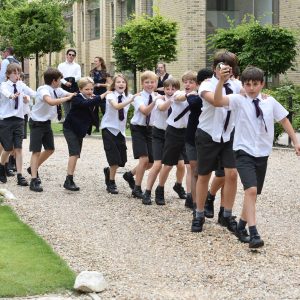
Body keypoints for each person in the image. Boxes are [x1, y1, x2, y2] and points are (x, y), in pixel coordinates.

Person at [214, 65, 300, 248]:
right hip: (243, 151)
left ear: (262, 84)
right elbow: (217, 101)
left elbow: (284, 119)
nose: (251, 87)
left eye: (255, 84)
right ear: (243, 85)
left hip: (262, 153)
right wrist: (221, 81)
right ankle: (254, 233)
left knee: (254, 194)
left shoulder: (269, 101)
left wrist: (295, 141)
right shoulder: (238, 100)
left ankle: (241, 226)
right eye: (247, 84)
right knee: (250, 190)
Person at [191, 50, 242, 233]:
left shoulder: (237, 85)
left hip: (228, 135)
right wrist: (220, 81)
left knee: (232, 174)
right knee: (204, 175)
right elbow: (217, 102)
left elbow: (249, 96)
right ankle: (199, 214)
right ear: (214, 68)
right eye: (221, 66)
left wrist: (262, 97)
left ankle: (226, 215)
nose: (225, 70)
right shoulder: (206, 84)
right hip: (208, 134)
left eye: (229, 66)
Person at [28, 68, 75, 192]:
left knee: (50, 149)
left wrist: (75, 95)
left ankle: (33, 167)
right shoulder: (43, 89)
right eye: (60, 80)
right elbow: (50, 102)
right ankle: (34, 180)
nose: (61, 82)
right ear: (54, 80)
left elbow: (69, 94)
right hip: (36, 123)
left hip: (46, 123)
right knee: (36, 151)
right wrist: (66, 99)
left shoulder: (57, 89)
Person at [142, 78, 186, 205]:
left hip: (174, 135)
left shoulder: (181, 98)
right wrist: (171, 100)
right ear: (164, 89)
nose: (170, 91)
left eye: (173, 89)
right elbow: (161, 108)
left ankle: (178, 185)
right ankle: (148, 191)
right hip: (159, 134)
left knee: (181, 165)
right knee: (157, 165)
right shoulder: (159, 99)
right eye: (167, 89)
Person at [154, 71, 194, 205]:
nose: (188, 84)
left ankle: (190, 196)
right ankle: (160, 189)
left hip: (188, 132)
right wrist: (191, 93)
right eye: (186, 82)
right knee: (168, 164)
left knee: (189, 166)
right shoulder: (178, 94)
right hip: (173, 132)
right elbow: (181, 98)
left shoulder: (200, 95)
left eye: (191, 82)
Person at [63, 77, 108, 191]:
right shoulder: (77, 98)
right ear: (80, 89)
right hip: (70, 129)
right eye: (87, 89)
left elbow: (97, 104)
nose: (90, 91)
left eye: (91, 89)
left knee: (76, 154)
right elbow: (86, 104)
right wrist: (103, 94)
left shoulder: (91, 98)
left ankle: (69, 178)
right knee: (74, 153)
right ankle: (68, 180)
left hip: (79, 130)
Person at [101, 74, 138, 194]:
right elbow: (116, 106)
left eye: (123, 82)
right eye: (118, 82)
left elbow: (140, 105)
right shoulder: (110, 95)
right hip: (109, 129)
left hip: (120, 132)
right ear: (114, 85)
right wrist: (130, 100)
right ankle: (111, 182)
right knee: (114, 159)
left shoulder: (128, 96)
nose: (121, 84)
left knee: (122, 161)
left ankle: (108, 171)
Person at [0, 63, 34, 186]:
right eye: (14, 73)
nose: (17, 75)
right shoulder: (4, 85)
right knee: (8, 148)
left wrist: (30, 98)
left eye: (18, 72)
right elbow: (4, 92)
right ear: (8, 75)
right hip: (6, 121)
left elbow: (30, 93)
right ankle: (1, 166)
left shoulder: (21, 85)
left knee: (18, 148)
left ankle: (20, 175)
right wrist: (11, 96)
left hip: (19, 120)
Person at [125, 71, 157, 198]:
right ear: (142, 83)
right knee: (143, 159)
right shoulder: (138, 97)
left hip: (150, 129)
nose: (150, 84)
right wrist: (155, 102)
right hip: (138, 128)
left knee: (151, 162)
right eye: (147, 82)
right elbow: (144, 111)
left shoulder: (158, 96)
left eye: (152, 82)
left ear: (156, 83)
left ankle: (129, 174)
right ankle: (137, 189)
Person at [90, 57, 112, 132]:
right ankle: (96, 127)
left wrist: (100, 85)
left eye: (96, 61)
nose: (94, 62)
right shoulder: (92, 72)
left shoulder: (105, 73)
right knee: (94, 110)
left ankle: (106, 126)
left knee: (104, 110)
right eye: (94, 61)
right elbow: (90, 82)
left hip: (103, 93)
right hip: (94, 93)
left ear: (100, 62)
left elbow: (110, 84)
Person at [58, 49, 81, 118]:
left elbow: (79, 76)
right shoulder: (61, 65)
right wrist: (65, 82)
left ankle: (73, 127)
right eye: (69, 54)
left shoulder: (77, 66)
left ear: (75, 56)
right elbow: (59, 76)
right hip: (64, 87)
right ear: (66, 55)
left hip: (74, 86)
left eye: (73, 55)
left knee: (74, 108)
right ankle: (66, 127)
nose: (71, 56)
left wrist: (72, 81)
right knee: (66, 108)